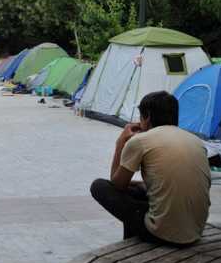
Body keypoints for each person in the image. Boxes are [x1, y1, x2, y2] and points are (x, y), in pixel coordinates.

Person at [90, 91, 211, 246]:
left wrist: (120, 143)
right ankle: (133, 242)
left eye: (141, 117)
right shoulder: (196, 141)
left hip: (164, 234)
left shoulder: (140, 141)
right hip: (195, 230)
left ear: (146, 117)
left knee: (99, 186)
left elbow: (117, 185)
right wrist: (141, 185)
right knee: (137, 192)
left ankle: (133, 244)